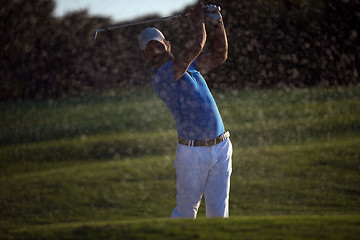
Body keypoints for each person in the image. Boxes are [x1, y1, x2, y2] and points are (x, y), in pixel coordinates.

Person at [138, 4, 232, 218]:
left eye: (157, 46)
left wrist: (218, 24)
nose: (154, 52)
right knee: (186, 214)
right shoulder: (162, 77)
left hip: (221, 147)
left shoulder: (191, 66)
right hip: (191, 154)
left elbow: (220, 55)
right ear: (144, 57)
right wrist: (198, 21)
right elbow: (197, 45)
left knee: (219, 214)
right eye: (148, 50)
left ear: (167, 45)